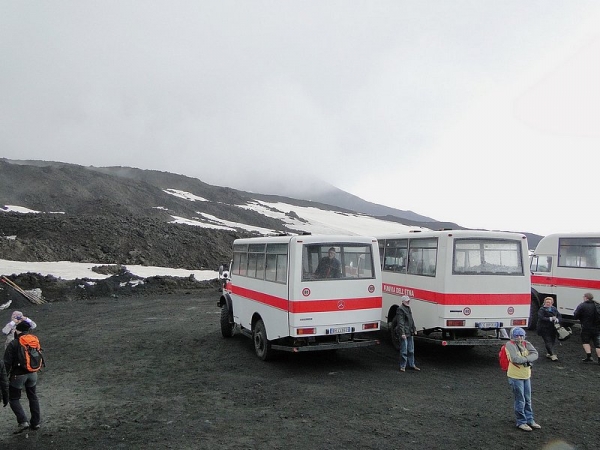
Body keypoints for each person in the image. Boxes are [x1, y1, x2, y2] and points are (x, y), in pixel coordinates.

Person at [3, 321, 42, 431]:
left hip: (18, 376)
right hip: (33, 373)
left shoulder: (14, 343)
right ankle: (36, 423)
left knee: (14, 398)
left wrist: (4, 378)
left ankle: (23, 421)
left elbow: (6, 363)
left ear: (17, 330)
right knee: (33, 396)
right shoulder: (33, 340)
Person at [504, 327, 540, 431]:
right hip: (515, 377)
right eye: (517, 336)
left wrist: (524, 360)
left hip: (526, 376)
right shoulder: (509, 345)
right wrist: (528, 359)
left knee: (527, 399)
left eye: (521, 335)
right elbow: (515, 359)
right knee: (520, 400)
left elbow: (536, 354)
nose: (519, 338)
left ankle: (530, 420)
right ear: (512, 336)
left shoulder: (526, 343)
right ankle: (521, 421)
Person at [573, 292, 600, 364]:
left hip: (586, 327)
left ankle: (589, 357)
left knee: (585, 342)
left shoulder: (582, 305)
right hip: (597, 327)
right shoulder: (597, 305)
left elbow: (576, 316)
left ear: (585, 297)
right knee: (598, 344)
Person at [395, 295, 420, 372]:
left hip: (409, 332)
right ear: (402, 301)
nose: (408, 302)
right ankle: (403, 366)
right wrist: (402, 333)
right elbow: (400, 322)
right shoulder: (400, 309)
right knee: (404, 350)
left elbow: (411, 320)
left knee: (411, 350)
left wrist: (414, 328)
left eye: (408, 300)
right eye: (406, 301)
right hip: (405, 333)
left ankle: (411, 364)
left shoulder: (407, 308)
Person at [536, 297, 561, 361]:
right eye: (547, 302)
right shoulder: (542, 309)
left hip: (553, 328)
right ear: (544, 302)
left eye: (549, 302)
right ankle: (552, 354)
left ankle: (549, 353)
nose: (548, 303)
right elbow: (541, 317)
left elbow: (559, 315)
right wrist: (550, 319)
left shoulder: (554, 308)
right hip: (544, 328)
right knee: (548, 341)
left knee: (552, 341)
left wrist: (557, 319)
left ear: (552, 303)